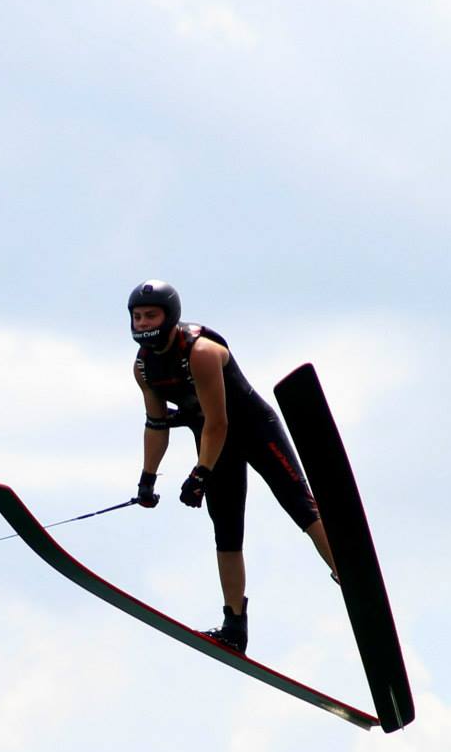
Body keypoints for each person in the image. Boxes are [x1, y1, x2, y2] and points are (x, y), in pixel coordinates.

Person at [128, 279, 337, 652]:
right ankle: (234, 626)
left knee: (300, 507)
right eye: (137, 316)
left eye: (150, 315)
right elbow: (156, 425)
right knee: (226, 532)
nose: (143, 323)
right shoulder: (144, 368)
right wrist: (147, 481)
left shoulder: (202, 352)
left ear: (170, 316)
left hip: (253, 431)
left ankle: (347, 574)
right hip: (213, 443)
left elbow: (219, 421)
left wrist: (200, 473)